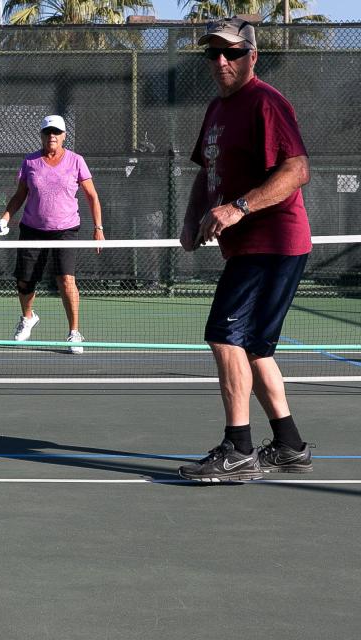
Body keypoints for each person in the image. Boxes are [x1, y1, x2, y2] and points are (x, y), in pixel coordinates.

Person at [177, 17, 314, 482]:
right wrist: (193, 216)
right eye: (213, 53)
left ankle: (238, 450)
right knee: (255, 348)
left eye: (232, 52)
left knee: (224, 336)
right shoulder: (217, 108)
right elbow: (205, 170)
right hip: (250, 247)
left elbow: (297, 170)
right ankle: (290, 445)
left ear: (252, 56)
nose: (221, 61)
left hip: (272, 241)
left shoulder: (266, 102)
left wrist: (237, 207)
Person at [0, 114, 104, 354]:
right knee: (25, 280)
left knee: (66, 281)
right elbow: (20, 195)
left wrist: (98, 228)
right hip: (32, 229)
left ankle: (74, 332)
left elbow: (92, 196)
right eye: (47, 132)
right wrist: (5, 218)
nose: (52, 136)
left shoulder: (76, 161)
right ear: (41, 135)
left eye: (56, 132)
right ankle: (28, 317)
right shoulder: (30, 162)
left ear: (64, 136)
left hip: (66, 230)